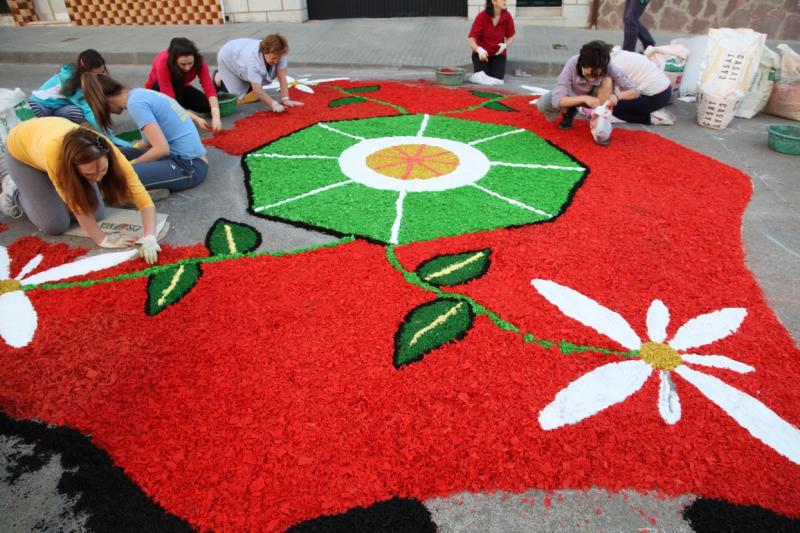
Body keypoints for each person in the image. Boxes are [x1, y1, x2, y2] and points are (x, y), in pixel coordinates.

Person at [0, 117, 160, 263]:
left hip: (45, 138)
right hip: (22, 151)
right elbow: (77, 205)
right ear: (73, 168)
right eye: (90, 174)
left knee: (97, 213)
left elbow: (142, 196)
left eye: (103, 170)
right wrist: (102, 240)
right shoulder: (56, 157)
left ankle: (48, 194)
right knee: (55, 225)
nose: (98, 179)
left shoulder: (105, 148)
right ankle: (13, 190)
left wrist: (150, 237)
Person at [82, 73, 208, 193]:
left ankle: (138, 191)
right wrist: (131, 150)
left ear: (104, 102)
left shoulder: (135, 104)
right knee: (113, 154)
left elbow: (161, 149)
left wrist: (133, 163)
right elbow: (150, 142)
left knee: (117, 174)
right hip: (174, 156)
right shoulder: (137, 95)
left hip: (189, 166)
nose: (109, 114)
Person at [27, 49, 131, 148]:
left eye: (103, 72)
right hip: (41, 105)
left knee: (76, 113)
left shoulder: (87, 81)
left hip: (59, 108)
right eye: (96, 75)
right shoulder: (72, 82)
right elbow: (90, 111)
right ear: (85, 73)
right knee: (34, 117)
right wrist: (110, 138)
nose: (101, 76)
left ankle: (60, 133)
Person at [537, 40, 639, 130]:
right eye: (588, 74)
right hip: (573, 95)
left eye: (596, 75)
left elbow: (635, 91)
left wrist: (617, 96)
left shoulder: (609, 66)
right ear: (581, 64)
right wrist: (583, 98)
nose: (591, 79)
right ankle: (568, 112)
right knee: (543, 104)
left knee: (607, 81)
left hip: (597, 98)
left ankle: (600, 119)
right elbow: (557, 100)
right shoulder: (572, 63)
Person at [145, 37, 222, 134]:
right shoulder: (163, 62)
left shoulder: (199, 62)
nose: (187, 68)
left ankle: (181, 110)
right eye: (182, 64)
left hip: (181, 88)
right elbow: (170, 99)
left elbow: (209, 88)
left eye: (190, 63)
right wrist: (196, 119)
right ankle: (172, 114)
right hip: (158, 92)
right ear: (174, 60)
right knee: (178, 78)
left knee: (207, 106)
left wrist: (216, 117)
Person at [213, 34, 304, 112]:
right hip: (228, 56)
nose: (276, 61)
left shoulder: (281, 53)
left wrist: (285, 99)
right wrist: (274, 104)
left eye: (278, 58)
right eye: (273, 58)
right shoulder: (253, 60)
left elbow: (282, 76)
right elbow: (257, 90)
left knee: (254, 85)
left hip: (242, 52)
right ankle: (218, 78)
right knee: (239, 98)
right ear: (265, 52)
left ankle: (242, 79)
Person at [609, 46, 674, 124]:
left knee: (611, 108)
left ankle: (652, 118)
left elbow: (611, 93)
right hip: (665, 91)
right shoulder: (619, 53)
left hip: (656, 97)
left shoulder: (613, 65)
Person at [467, 0, 515, 81]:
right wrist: (478, 49)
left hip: (498, 53)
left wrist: (505, 45)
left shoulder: (507, 16)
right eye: (503, 0)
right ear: (494, 1)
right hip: (482, 54)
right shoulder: (482, 16)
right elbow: (471, 39)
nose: (505, 1)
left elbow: (511, 36)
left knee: (497, 78)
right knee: (482, 78)